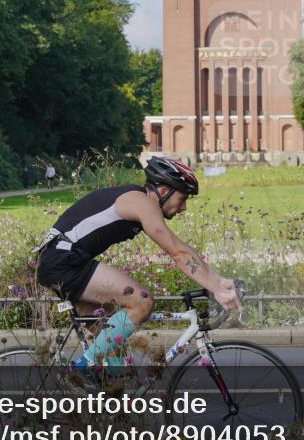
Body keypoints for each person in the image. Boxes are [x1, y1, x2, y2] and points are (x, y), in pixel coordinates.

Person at [34, 157, 242, 371]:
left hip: (62, 261)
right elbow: (178, 253)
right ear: (163, 190)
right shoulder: (141, 202)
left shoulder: (136, 200)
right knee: (142, 301)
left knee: (114, 357)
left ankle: (109, 395)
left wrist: (219, 281)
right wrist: (215, 288)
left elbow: (184, 250)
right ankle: (81, 370)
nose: (184, 208)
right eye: (182, 198)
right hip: (64, 262)